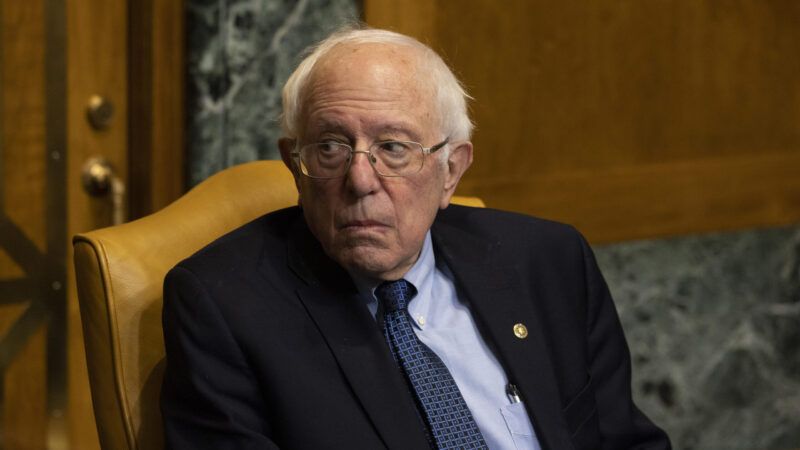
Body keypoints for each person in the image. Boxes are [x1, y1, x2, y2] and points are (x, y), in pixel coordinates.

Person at [160, 26, 671, 450]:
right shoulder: (223, 307)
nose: (360, 180)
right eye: (332, 147)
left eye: (394, 147)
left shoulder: (547, 260)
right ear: (296, 165)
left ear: (451, 171)